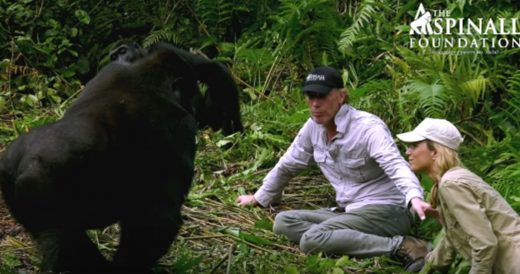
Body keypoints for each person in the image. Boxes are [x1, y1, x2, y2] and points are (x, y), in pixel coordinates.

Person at [236, 66, 431, 272]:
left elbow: (395, 164)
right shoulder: (313, 127)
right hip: (351, 211)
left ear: (341, 96)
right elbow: (289, 162)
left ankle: (405, 246)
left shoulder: (367, 127)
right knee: (283, 222)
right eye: (310, 96)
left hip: (387, 210)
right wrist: (261, 197)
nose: (315, 104)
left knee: (312, 239)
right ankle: (350, 238)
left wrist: (414, 196)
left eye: (322, 96)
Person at [396, 118, 520, 274]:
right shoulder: (452, 180)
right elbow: (452, 236)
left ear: (434, 152)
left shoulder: (451, 184)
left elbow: (485, 243)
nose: (408, 152)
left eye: (414, 146)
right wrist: (430, 263)